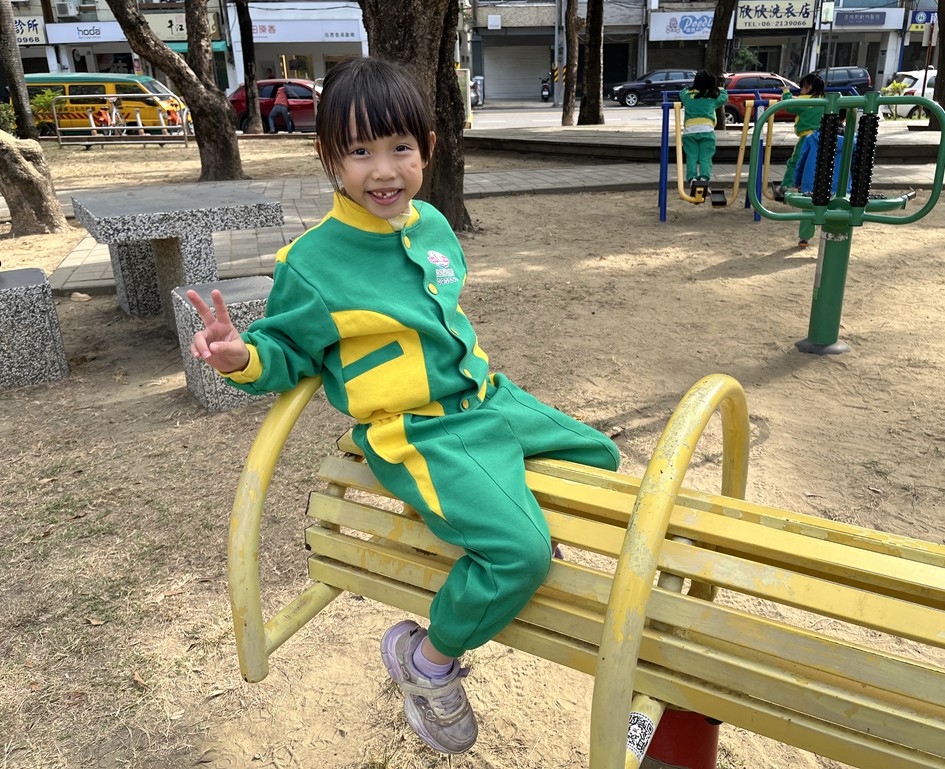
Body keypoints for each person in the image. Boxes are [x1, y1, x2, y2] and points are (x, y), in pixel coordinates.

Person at [185, 57, 620, 755]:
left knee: (600, 457)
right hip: (419, 433)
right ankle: (428, 660)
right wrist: (242, 357)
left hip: (486, 400)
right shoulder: (312, 262)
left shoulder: (433, 225)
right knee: (520, 555)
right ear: (329, 157)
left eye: (399, 148)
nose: (383, 171)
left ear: (427, 149)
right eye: (360, 152)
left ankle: (494, 520)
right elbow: (287, 349)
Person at [791, 128, 852, 248]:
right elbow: (854, 163)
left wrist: (797, 180)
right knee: (837, 209)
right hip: (839, 184)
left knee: (809, 209)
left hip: (812, 182)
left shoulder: (811, 139)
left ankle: (804, 238)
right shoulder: (849, 142)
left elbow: (801, 160)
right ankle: (834, 235)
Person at [778, 73, 827, 196]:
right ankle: (810, 185)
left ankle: (787, 185)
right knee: (816, 162)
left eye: (802, 88)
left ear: (809, 87)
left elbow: (788, 106)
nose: (801, 91)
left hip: (807, 137)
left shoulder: (803, 100)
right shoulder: (826, 101)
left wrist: (786, 92)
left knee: (795, 161)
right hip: (824, 137)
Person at [678, 70, 728, 187]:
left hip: (689, 132)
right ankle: (704, 178)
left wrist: (690, 89)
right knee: (705, 157)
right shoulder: (712, 97)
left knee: (691, 157)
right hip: (706, 131)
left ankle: (692, 178)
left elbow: (682, 92)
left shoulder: (688, 96)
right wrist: (720, 89)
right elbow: (724, 97)